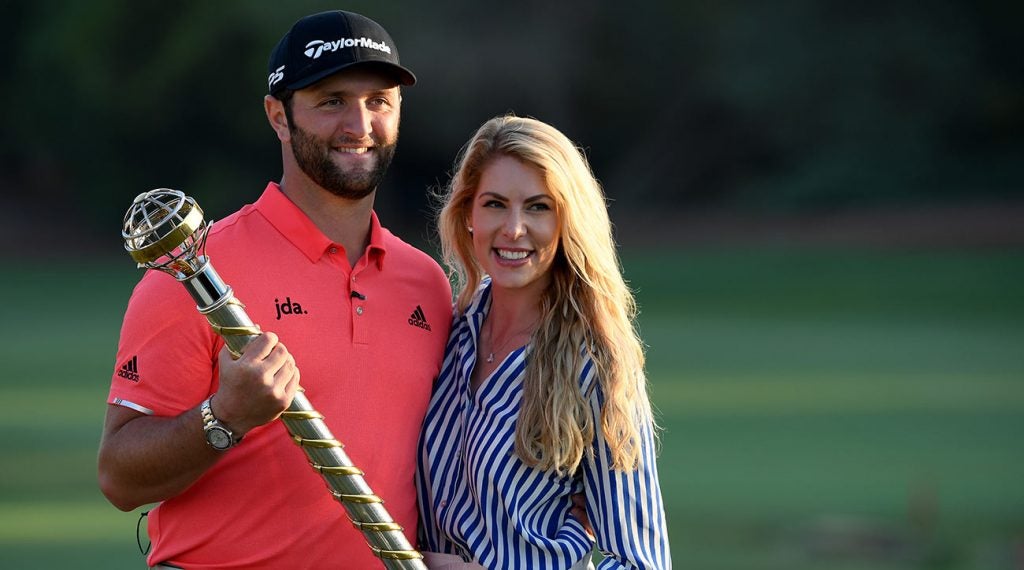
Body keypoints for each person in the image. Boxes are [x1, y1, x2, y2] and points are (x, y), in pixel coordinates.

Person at [97, 10, 452, 569]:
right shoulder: (194, 273)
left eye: (378, 100)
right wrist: (225, 417)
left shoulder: (426, 285)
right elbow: (119, 477)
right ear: (278, 117)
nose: (359, 123)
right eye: (331, 100)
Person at [416, 115, 672, 569]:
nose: (514, 229)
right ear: (467, 215)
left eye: (538, 207)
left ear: (567, 221)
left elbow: (640, 561)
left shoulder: (594, 362)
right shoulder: (447, 332)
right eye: (495, 204)